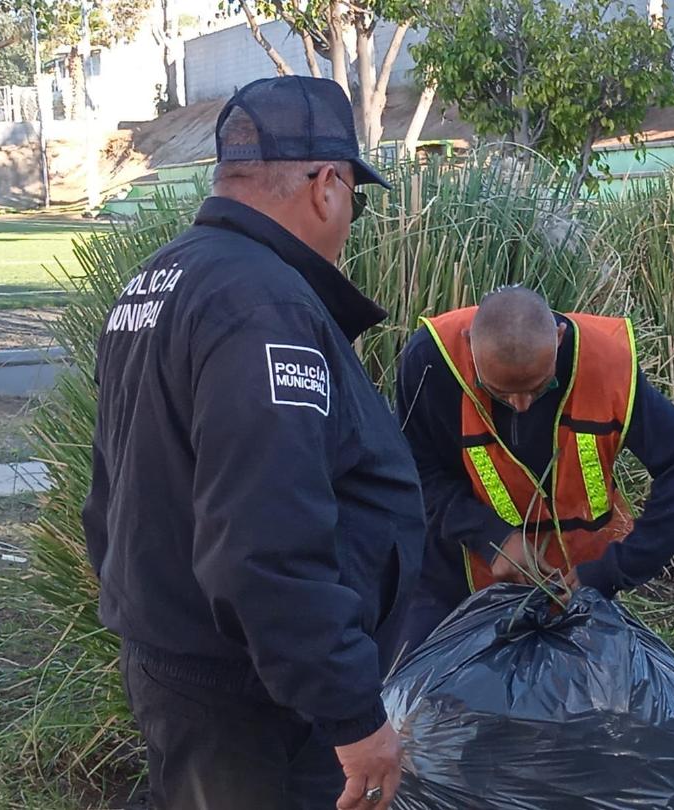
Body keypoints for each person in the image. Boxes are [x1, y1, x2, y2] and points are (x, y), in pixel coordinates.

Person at [82, 76, 426, 810]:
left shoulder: (158, 279)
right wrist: (350, 713)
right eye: (354, 201)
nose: (349, 220)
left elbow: (113, 490)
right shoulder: (262, 305)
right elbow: (266, 539)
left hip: (184, 661)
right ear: (328, 185)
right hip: (251, 696)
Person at [392, 286, 674, 654]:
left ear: (559, 339)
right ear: (470, 344)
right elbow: (414, 473)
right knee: (407, 692)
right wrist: (491, 535)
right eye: (500, 392)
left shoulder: (606, 364)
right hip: (458, 576)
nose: (520, 405)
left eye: (537, 388)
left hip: (578, 589)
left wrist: (615, 569)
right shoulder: (433, 360)